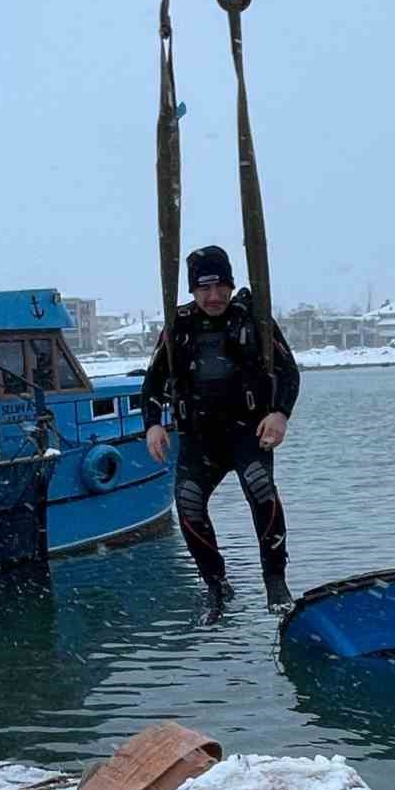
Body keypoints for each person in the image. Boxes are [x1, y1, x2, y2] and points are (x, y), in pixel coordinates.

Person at [142, 245, 300, 624]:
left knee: (261, 488)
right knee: (190, 507)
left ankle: (275, 580)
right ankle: (215, 584)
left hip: (249, 431)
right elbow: (152, 384)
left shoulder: (254, 319)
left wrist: (279, 414)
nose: (214, 297)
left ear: (231, 287)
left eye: (221, 288)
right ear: (193, 291)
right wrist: (152, 424)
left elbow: (288, 372)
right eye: (205, 289)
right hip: (199, 437)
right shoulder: (177, 325)